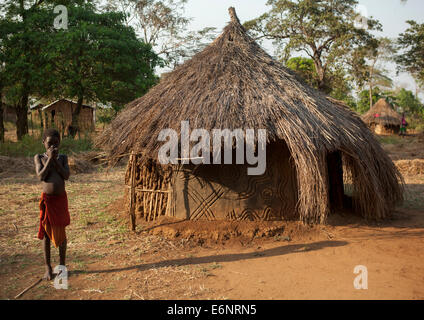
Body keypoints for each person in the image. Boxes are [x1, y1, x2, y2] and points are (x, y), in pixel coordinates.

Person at [34, 128, 70, 280]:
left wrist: (55, 159)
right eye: (49, 144)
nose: (52, 147)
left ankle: (62, 267)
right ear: (44, 143)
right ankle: (48, 267)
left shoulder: (63, 158)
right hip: (48, 201)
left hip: (60, 200)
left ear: (59, 143)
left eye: (56, 144)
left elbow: (66, 175)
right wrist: (49, 158)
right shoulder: (39, 157)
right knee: (47, 235)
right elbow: (41, 176)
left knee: (61, 234)